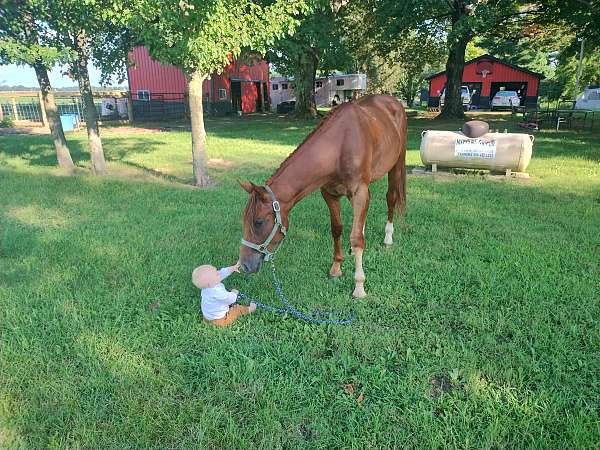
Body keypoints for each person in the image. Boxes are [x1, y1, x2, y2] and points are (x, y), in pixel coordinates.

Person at [192, 262, 256, 326]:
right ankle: (250, 309)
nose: (218, 272)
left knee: (222, 301)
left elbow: (221, 273)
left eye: (216, 271)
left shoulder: (208, 286)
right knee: (236, 310)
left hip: (208, 316)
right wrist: (234, 293)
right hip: (220, 320)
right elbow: (229, 299)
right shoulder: (217, 292)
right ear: (210, 283)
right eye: (216, 274)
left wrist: (232, 268)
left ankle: (208, 321)